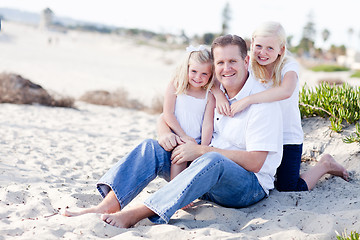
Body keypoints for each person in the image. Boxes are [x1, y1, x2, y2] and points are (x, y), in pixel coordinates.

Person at [63, 34, 284, 228]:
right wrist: (165, 133)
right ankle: (106, 206)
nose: (226, 68)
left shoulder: (262, 105)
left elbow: (256, 162)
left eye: (233, 61)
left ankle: (139, 213)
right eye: (221, 63)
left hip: (246, 187)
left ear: (246, 61)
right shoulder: (213, 91)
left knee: (213, 159)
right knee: (151, 147)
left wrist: (200, 151)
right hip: (201, 176)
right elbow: (167, 115)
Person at [212, 21, 349, 191]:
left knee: (287, 186)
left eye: (270, 48)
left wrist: (248, 100)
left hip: (286, 137)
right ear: (252, 44)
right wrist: (218, 95)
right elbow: (215, 75)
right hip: (260, 137)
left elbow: (286, 91)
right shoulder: (249, 65)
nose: (263, 53)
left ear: (281, 50)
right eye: (259, 46)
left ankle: (325, 164)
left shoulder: (288, 66)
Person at [162, 45, 215, 180]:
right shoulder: (176, 85)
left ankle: (186, 189)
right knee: (179, 158)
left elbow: (207, 124)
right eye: (194, 71)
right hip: (178, 136)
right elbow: (167, 113)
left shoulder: (208, 96)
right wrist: (183, 136)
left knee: (195, 166)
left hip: (196, 142)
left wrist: (203, 147)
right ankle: (175, 189)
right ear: (187, 68)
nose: (198, 77)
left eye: (204, 74)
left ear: (210, 75)